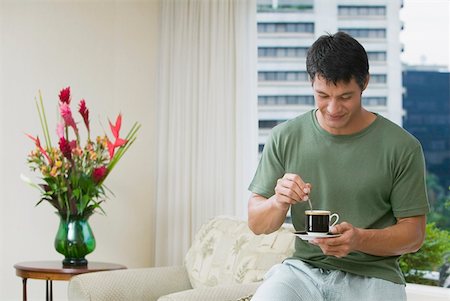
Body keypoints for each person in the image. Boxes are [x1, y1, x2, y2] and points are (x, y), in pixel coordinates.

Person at [247, 31, 429, 301]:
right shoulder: (284, 136)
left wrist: (359, 239)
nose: (332, 108)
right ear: (311, 83)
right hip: (303, 272)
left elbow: (414, 236)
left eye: (345, 97)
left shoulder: (402, 147)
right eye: (322, 96)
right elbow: (257, 223)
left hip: (374, 276)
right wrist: (278, 201)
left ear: (364, 83)